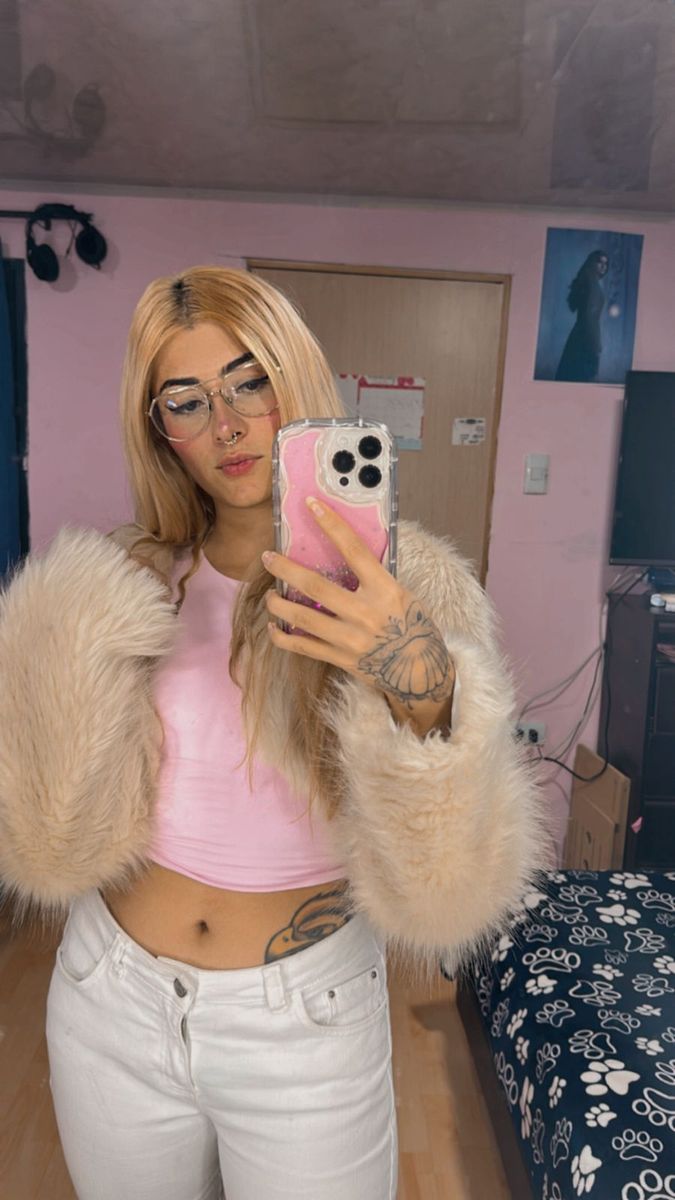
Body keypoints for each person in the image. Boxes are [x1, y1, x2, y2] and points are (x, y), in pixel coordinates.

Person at [0, 267, 553, 1200]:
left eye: (250, 381)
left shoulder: (409, 590)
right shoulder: (119, 585)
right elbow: (44, 828)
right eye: (186, 401)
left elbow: (449, 890)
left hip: (304, 1020)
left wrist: (419, 683)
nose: (227, 424)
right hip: (110, 999)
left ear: (293, 378)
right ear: (159, 430)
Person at [555, 249, 609, 382]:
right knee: (582, 376)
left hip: (580, 334)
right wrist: (595, 342)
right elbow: (589, 317)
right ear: (592, 263)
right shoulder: (591, 283)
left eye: (606, 264)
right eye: (600, 262)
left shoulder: (588, 280)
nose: (603, 266)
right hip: (586, 335)